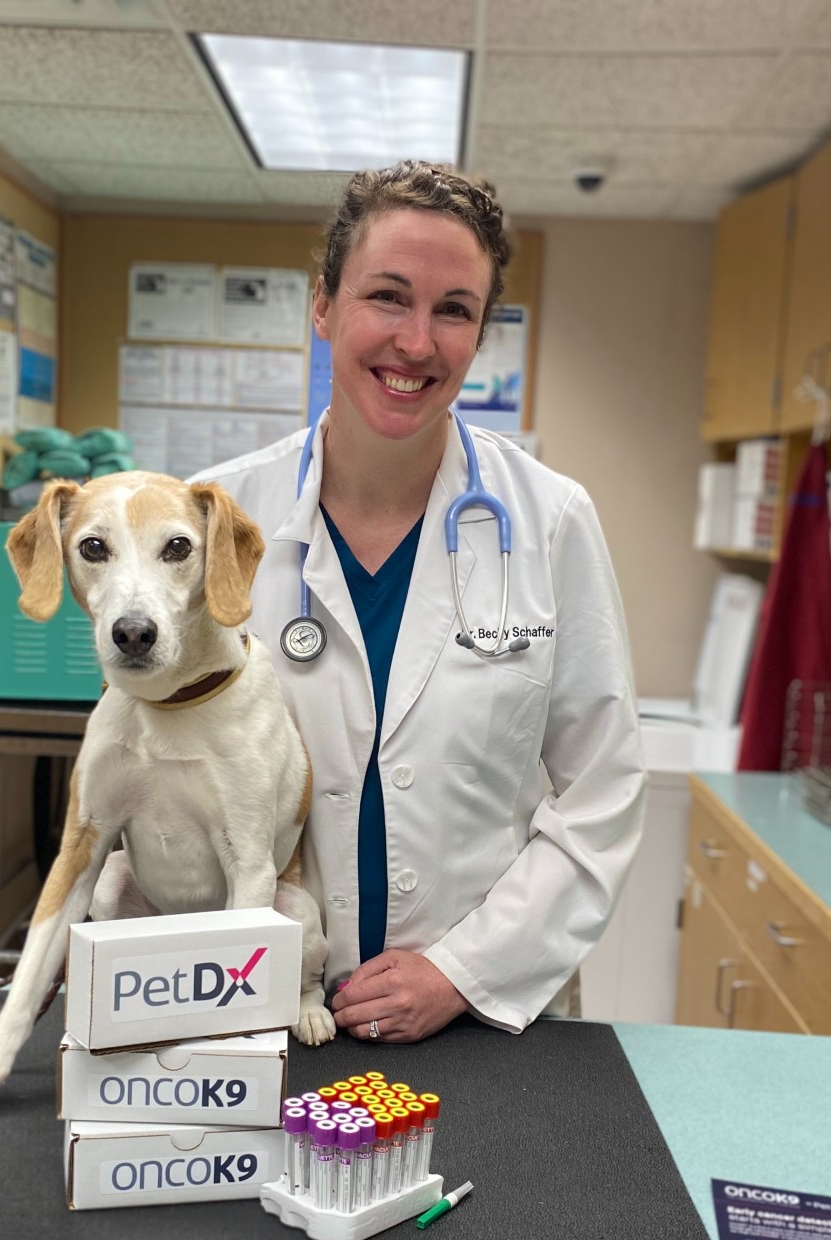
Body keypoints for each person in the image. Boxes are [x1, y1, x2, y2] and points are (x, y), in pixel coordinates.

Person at [195, 160, 646, 1044]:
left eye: (454, 310)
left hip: (483, 1020)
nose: (416, 342)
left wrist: (463, 970)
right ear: (323, 304)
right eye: (388, 297)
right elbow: (159, 769)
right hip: (253, 1003)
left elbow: (605, 787)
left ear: (481, 333)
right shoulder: (214, 518)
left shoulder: (548, 521)